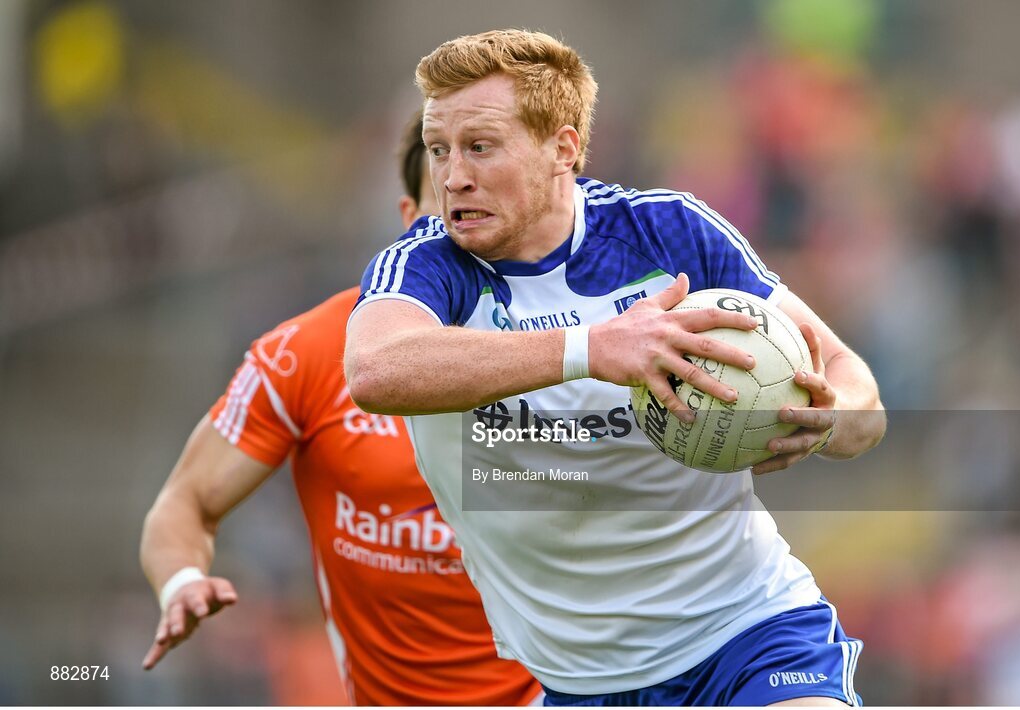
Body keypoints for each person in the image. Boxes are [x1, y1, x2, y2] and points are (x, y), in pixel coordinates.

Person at [345, 30, 887, 706]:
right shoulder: (426, 264)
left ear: (563, 150)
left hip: (751, 631)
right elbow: (375, 370)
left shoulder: (667, 232)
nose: (453, 176)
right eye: (439, 150)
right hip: (581, 684)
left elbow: (859, 396)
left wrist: (828, 418)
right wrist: (591, 347)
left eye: (480, 147)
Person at [139, 111, 542, 706]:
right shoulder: (307, 352)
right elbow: (185, 503)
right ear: (408, 221)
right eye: (452, 211)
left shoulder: (573, 350)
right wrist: (181, 582)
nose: (474, 236)